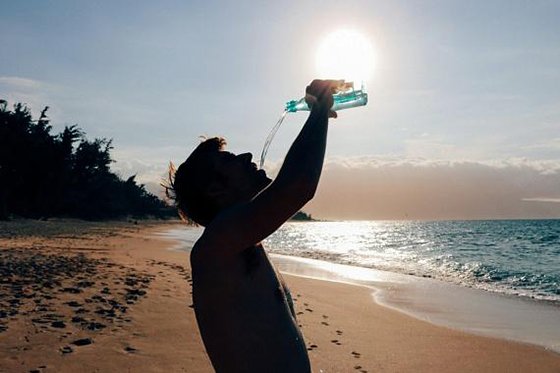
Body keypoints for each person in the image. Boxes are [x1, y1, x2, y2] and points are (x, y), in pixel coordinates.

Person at [169, 80, 340, 372]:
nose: (247, 156)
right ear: (215, 190)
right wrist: (319, 111)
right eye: (230, 160)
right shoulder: (215, 247)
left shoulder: (243, 244)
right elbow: (298, 186)